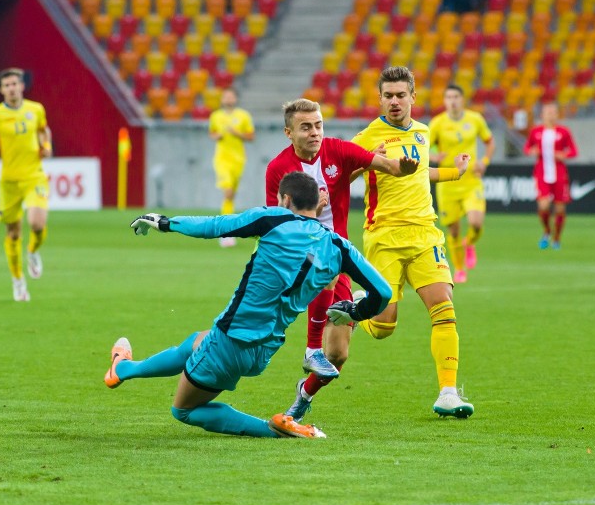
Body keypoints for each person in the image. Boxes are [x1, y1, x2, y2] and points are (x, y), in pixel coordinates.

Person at [105, 172, 392, 439]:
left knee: (183, 411)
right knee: (194, 342)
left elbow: (215, 226)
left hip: (230, 342)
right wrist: (356, 312)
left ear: (286, 200)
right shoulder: (340, 247)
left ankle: (276, 430)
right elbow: (382, 292)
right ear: (317, 203)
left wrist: (166, 222)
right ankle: (123, 370)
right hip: (265, 349)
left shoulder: (273, 219)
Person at [265, 98, 419, 419]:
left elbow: (383, 164)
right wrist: (312, 212)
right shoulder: (278, 169)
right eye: (306, 127)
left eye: (318, 125)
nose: (315, 132)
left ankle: (304, 394)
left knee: (337, 355)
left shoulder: (338, 151)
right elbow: (276, 223)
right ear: (288, 133)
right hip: (296, 261)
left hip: (337, 259)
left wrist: (400, 167)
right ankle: (311, 347)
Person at [352, 66, 474, 418]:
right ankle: (357, 308)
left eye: (400, 95)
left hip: (424, 234)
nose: (394, 101)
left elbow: (421, 171)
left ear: (412, 98)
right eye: (388, 95)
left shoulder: (422, 132)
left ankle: (448, 393)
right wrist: (369, 160)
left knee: (444, 308)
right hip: (385, 236)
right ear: (379, 98)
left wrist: (456, 172)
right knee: (383, 327)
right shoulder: (367, 136)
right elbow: (341, 175)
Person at [0, 68, 53, 301]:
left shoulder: (36, 109)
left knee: (37, 223)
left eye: (14, 84)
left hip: (34, 176)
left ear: (21, 86)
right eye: (6, 85)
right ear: (1, 90)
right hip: (9, 182)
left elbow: (43, 131)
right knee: (14, 232)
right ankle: (18, 280)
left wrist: (47, 146)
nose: (11, 88)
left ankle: (33, 252)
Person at [429, 84, 495, 284]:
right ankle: (459, 268)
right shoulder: (437, 123)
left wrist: (484, 162)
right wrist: (434, 155)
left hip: (470, 180)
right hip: (447, 181)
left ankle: (470, 243)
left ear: (462, 99)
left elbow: (490, 142)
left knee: (476, 222)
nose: (452, 100)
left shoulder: (475, 119)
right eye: (448, 97)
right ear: (444, 101)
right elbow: (424, 147)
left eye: (456, 96)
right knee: (454, 230)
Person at [523, 102, 579, 250]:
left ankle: (557, 237)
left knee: (560, 209)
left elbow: (573, 151)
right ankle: (547, 230)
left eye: (553, 112)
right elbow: (527, 148)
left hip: (559, 173)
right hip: (542, 172)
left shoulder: (563, 131)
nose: (550, 115)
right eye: (547, 112)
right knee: (544, 204)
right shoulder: (536, 131)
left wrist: (563, 154)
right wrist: (531, 152)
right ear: (542, 115)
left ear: (557, 114)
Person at [207, 87, 255, 247]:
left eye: (230, 96)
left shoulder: (243, 116)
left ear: (235, 99)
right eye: (225, 96)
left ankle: (226, 228)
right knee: (227, 192)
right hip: (222, 159)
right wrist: (217, 136)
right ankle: (225, 232)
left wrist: (237, 133)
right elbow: (212, 133)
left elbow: (250, 136)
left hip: (238, 160)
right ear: (222, 99)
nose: (228, 99)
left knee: (231, 195)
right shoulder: (216, 116)